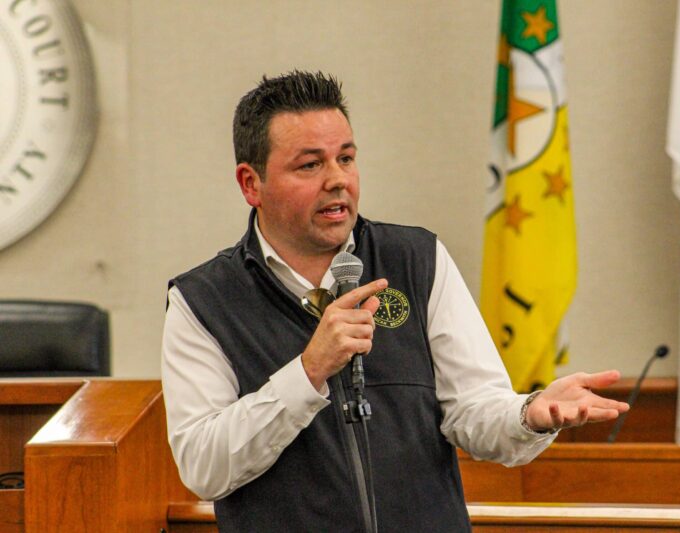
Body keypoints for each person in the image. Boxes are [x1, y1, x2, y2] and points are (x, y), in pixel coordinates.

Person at [161, 70, 629, 532]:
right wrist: (307, 373)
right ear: (251, 184)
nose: (337, 180)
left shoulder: (415, 259)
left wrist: (530, 414)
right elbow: (203, 467)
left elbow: (474, 409)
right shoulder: (202, 301)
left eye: (346, 158)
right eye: (310, 165)